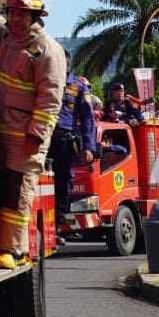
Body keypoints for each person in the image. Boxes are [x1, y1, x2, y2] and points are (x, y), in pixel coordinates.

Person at [0, 0, 66, 269]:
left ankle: (14, 251)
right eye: (12, 12)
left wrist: (36, 137)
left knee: (18, 190)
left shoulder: (47, 50)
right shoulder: (5, 34)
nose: (15, 19)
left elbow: (50, 99)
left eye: (22, 14)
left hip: (24, 138)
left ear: (35, 15)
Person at [51, 53, 96, 223]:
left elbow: (87, 118)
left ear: (68, 65)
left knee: (64, 179)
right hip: (42, 135)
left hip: (64, 139)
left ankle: (59, 220)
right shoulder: (43, 78)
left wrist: (89, 147)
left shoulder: (78, 86)